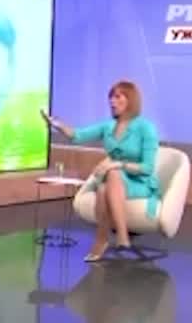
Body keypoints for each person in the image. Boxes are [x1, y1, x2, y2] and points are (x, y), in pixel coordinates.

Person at [41, 80, 160, 262]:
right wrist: (57, 124)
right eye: (111, 97)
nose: (112, 101)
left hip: (139, 181)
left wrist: (117, 165)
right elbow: (78, 136)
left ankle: (117, 236)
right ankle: (106, 240)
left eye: (118, 97)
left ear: (131, 100)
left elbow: (147, 167)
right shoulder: (108, 127)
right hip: (115, 181)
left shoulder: (146, 128)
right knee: (103, 188)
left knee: (111, 174)